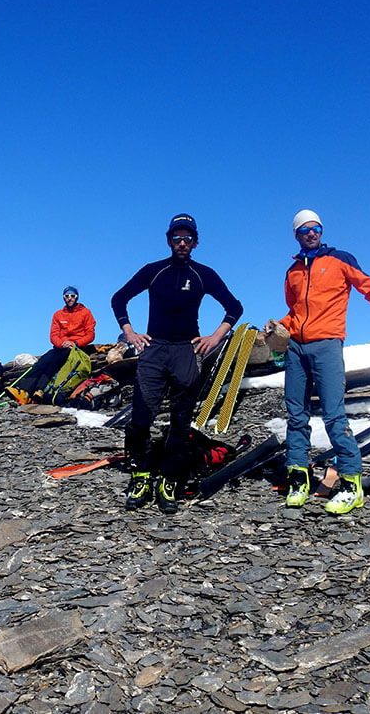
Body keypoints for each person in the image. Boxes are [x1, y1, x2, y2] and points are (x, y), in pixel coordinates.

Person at [263, 209, 370, 515]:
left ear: (322, 230)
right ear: (297, 235)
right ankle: (299, 478)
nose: (311, 233)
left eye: (315, 228)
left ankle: (351, 486)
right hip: (297, 348)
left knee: (333, 415)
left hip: (327, 344)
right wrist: (278, 325)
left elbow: (369, 286)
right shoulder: (293, 272)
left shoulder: (340, 259)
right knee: (296, 415)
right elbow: (296, 311)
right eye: (304, 230)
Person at [111, 214, 244, 514]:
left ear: (196, 242)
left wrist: (215, 338)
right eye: (176, 238)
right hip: (154, 349)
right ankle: (141, 475)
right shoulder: (154, 271)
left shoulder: (203, 274)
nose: (182, 243)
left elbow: (234, 307)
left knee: (181, 421)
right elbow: (119, 298)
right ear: (168, 240)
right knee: (141, 416)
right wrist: (130, 333)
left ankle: (169, 480)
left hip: (187, 350)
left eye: (187, 238)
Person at [5, 286, 97, 404]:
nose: (69, 298)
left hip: (76, 348)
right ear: (63, 298)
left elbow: (90, 334)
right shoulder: (58, 315)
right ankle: (24, 392)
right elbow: (53, 335)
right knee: (42, 362)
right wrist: (61, 343)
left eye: (72, 296)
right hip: (60, 346)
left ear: (77, 297)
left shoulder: (86, 313)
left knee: (54, 362)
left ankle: (39, 390)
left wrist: (76, 343)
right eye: (66, 296)